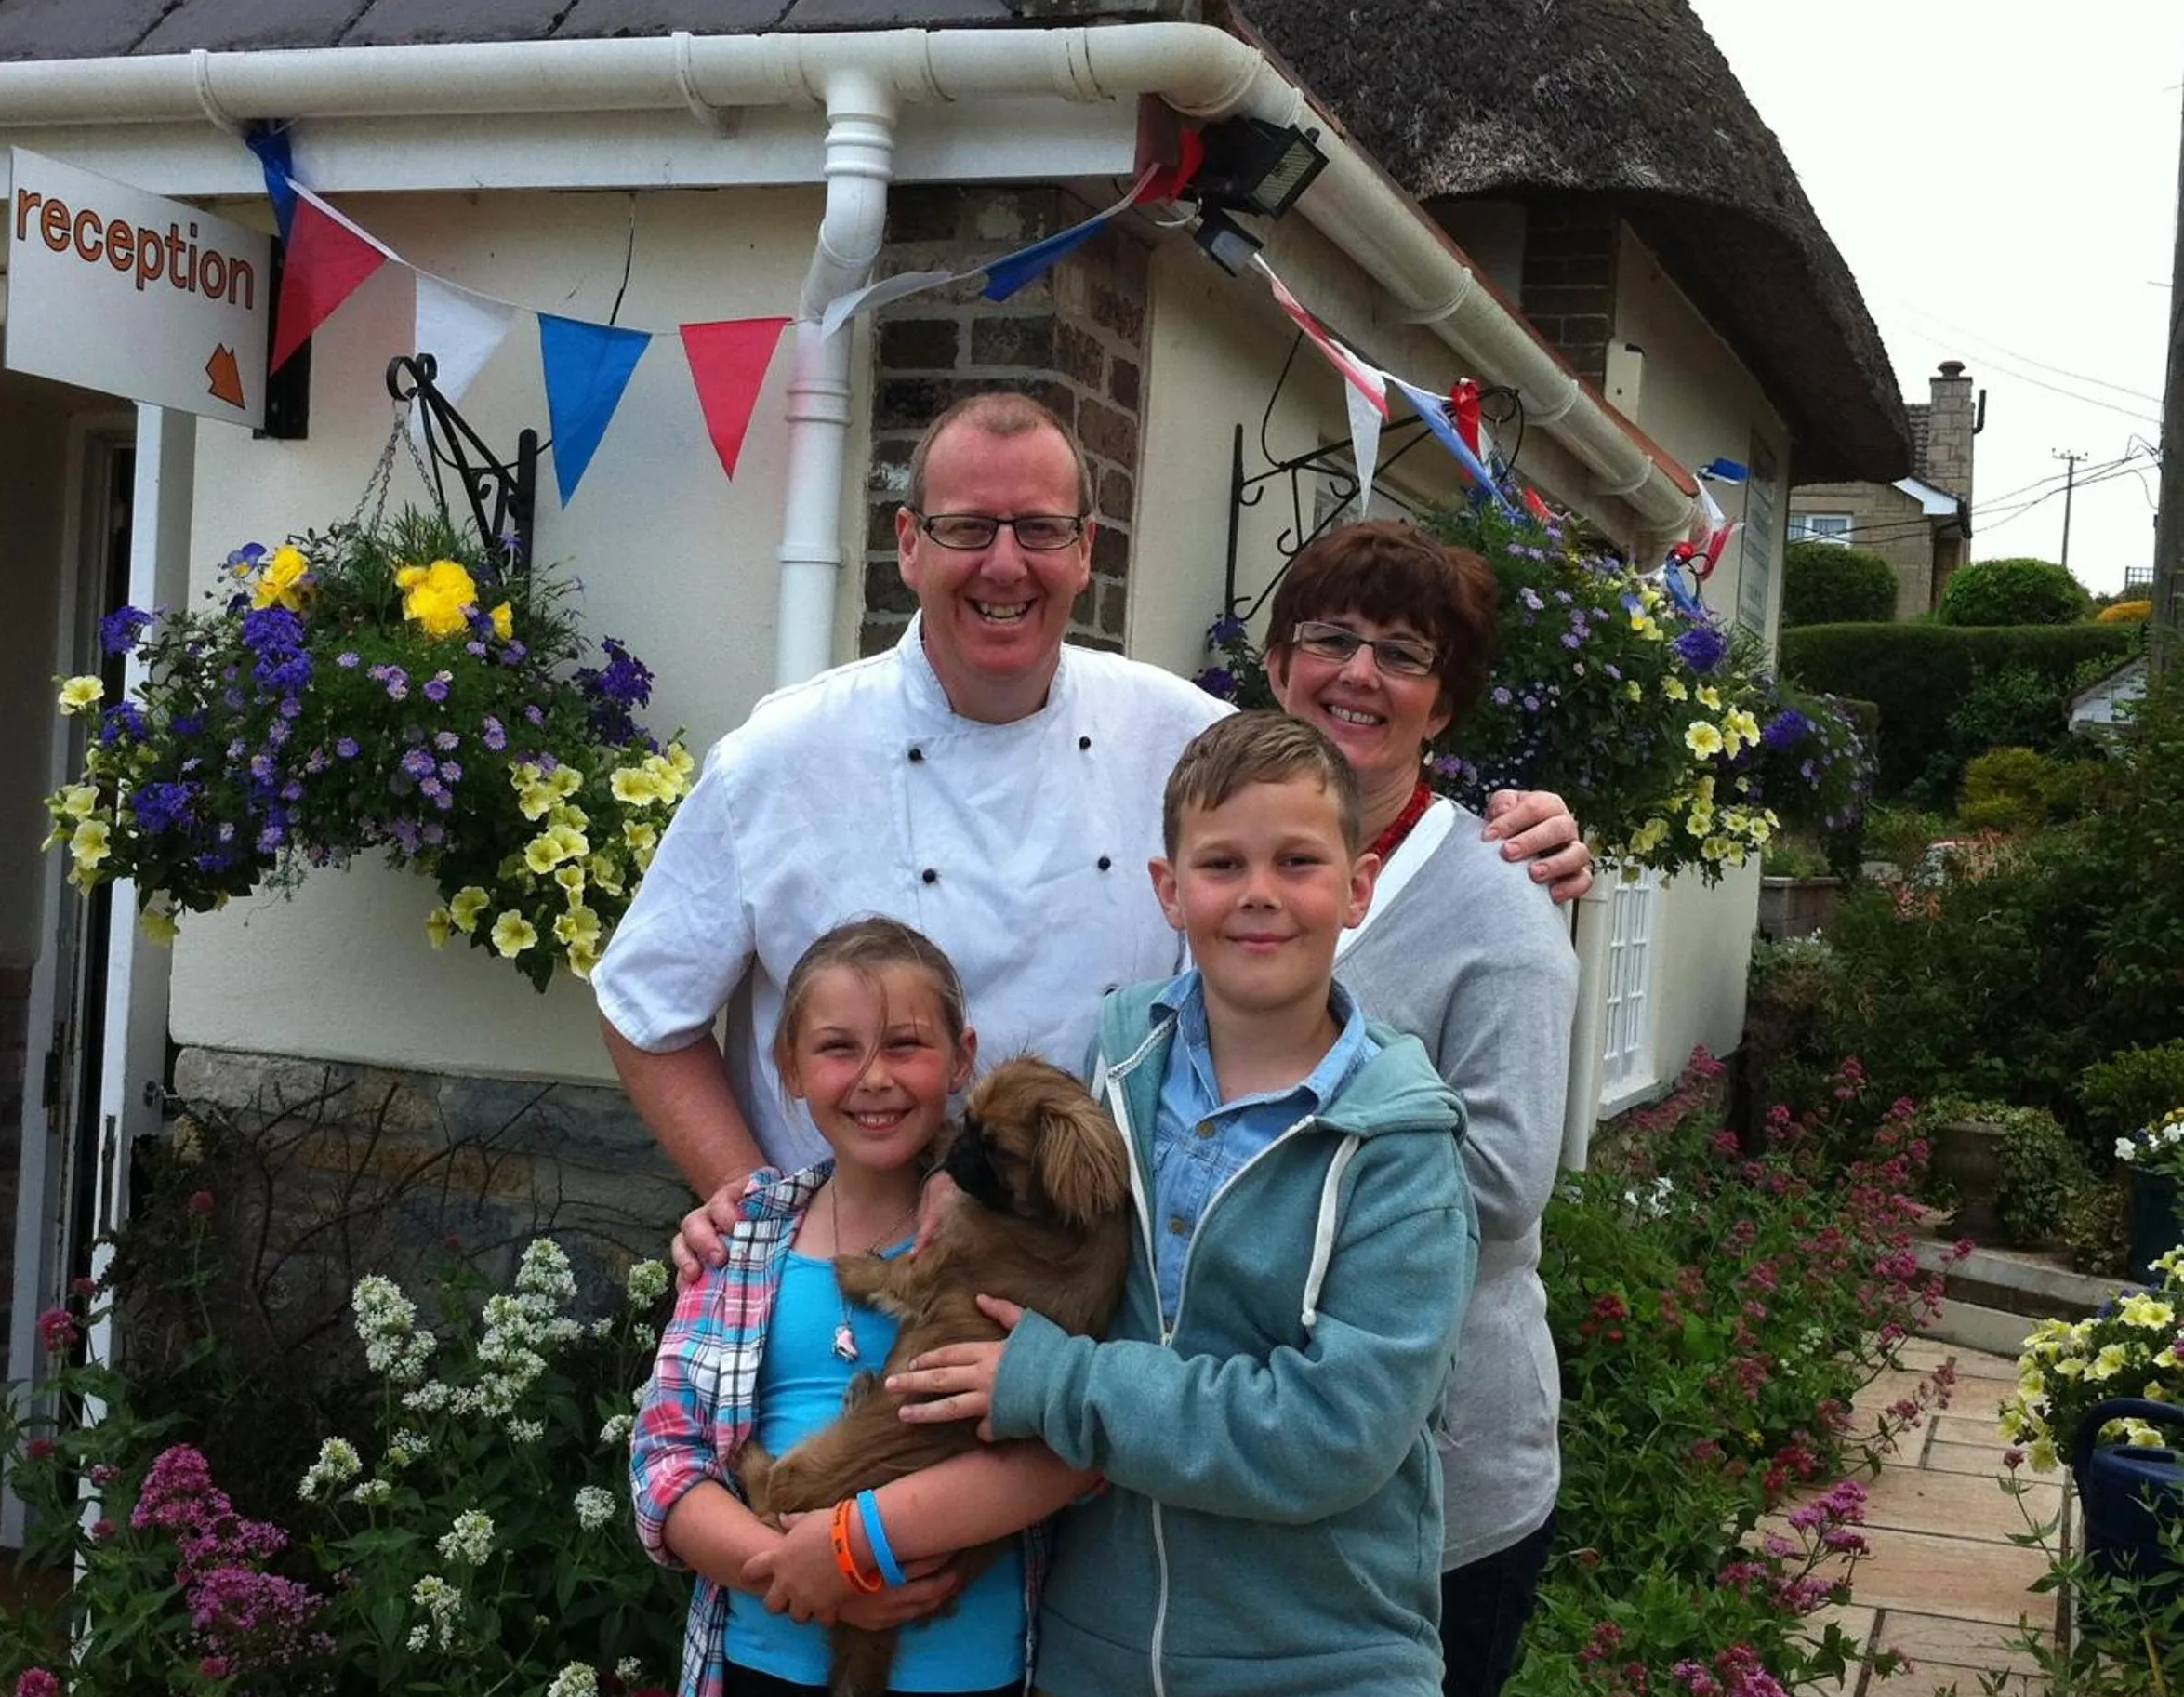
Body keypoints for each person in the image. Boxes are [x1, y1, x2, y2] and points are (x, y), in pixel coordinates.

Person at [594, 391, 1589, 1223]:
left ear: (1084, 551)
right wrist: (759, 1205)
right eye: (967, 529)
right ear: (908, 545)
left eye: (1038, 531)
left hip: (1093, 1287)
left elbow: (1344, 768)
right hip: (839, 1268)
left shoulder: (1178, 733)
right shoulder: (776, 757)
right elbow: (646, 1011)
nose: (1004, 565)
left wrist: (1515, 832)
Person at [884, 711, 1478, 1697]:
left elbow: (1334, 1434)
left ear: (1357, 887)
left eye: (1298, 861)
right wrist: (769, 1215)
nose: (1258, 892)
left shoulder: (1399, 1140)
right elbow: (998, 1200)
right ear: (1169, 891)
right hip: (1107, 1680)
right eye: (1222, 863)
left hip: (1328, 1688)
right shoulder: (1114, 1068)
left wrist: (1058, 1384)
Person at [1262, 520, 1580, 1697]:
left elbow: (1501, 1185)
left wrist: (1247, 1156)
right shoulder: (1225, 856)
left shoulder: (1496, 903)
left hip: (1440, 1472)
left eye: (1402, 652)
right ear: (1281, 661)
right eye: (1330, 636)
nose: (1357, 672)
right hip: (1245, 1445)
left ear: (1442, 702)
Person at [631, 918, 1086, 1697]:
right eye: (838, 1047)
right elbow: (666, 1460)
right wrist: (793, 1569)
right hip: (766, 1667)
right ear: (791, 1070)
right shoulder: (743, 1232)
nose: (874, 1077)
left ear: (961, 1059)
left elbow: (1075, 1448)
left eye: (906, 1043)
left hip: (965, 1681)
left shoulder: (1030, 1242)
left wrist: (852, 1551)